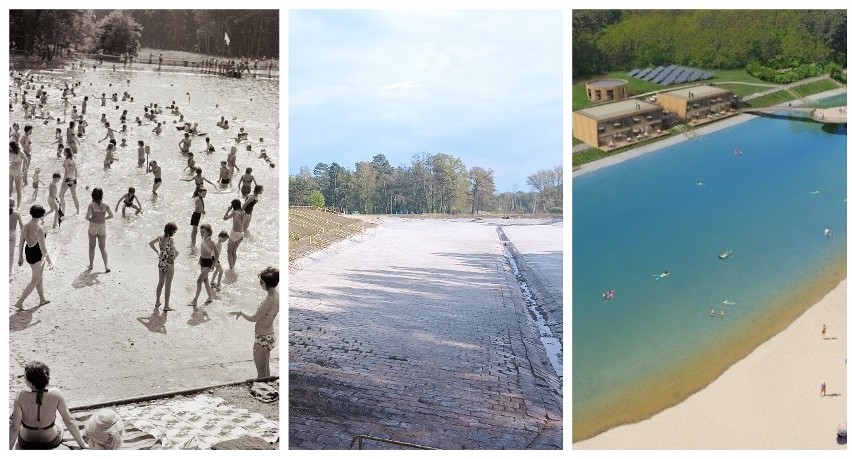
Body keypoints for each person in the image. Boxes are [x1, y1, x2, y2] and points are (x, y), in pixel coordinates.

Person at [9, 361, 88, 450]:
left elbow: (14, 427)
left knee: (18, 418)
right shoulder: (56, 393)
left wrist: (9, 449)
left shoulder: (21, 396)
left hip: (26, 442)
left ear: (30, 383)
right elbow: (69, 421)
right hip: (50, 441)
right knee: (59, 416)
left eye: (25, 377)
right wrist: (83, 445)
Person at [232, 267, 279, 378]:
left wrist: (241, 312)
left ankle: (263, 392)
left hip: (262, 338)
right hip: (269, 336)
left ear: (268, 283)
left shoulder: (270, 300)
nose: (260, 284)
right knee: (266, 370)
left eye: (261, 282)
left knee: (261, 373)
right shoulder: (277, 296)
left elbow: (254, 318)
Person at [13, 205, 52, 309]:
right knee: (35, 280)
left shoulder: (25, 226)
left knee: (39, 277)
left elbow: (21, 243)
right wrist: (50, 261)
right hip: (37, 254)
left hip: (28, 252)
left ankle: (42, 299)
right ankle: (20, 302)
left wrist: (20, 257)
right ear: (42, 215)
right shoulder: (40, 229)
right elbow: (43, 249)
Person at [150, 222, 179, 311]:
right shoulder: (171, 240)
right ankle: (166, 306)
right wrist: (174, 257)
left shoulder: (160, 238)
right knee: (168, 285)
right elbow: (176, 252)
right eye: (174, 231)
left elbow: (150, 243)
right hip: (169, 263)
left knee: (160, 282)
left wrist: (157, 252)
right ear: (172, 231)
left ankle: (157, 301)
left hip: (161, 262)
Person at [86, 187, 114, 272]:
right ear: (102, 195)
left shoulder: (91, 205)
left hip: (93, 226)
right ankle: (106, 266)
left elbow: (87, 217)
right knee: (103, 247)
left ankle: (91, 265)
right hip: (102, 226)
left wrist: (91, 220)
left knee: (92, 246)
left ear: (93, 195)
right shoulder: (106, 204)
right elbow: (111, 215)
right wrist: (104, 219)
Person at [190, 223, 218, 307]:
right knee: (205, 280)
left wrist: (213, 264)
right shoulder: (203, 238)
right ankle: (210, 297)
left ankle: (195, 300)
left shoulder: (211, 241)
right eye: (200, 232)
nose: (201, 233)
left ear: (208, 232)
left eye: (203, 232)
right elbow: (202, 250)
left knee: (199, 281)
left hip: (208, 263)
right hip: (202, 261)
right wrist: (199, 259)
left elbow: (217, 254)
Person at [223, 199, 246, 269]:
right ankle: (232, 267)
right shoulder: (243, 212)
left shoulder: (234, 213)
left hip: (234, 234)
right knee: (234, 251)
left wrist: (228, 210)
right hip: (241, 234)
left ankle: (231, 268)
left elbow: (224, 218)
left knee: (229, 252)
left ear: (233, 205)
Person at [59, 148, 79, 214]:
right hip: (73, 179)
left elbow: (66, 171)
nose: (63, 152)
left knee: (61, 195)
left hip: (68, 179)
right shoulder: (73, 160)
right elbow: (76, 171)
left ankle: (63, 211)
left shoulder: (66, 160)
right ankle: (78, 211)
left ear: (67, 153)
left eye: (64, 151)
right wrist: (76, 179)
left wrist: (63, 182)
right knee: (74, 196)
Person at [10, 141, 29, 208]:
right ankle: (9, 206)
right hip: (10, 171)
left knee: (18, 189)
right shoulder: (10, 152)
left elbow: (26, 159)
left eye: (10, 147)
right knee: (10, 188)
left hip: (18, 172)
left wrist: (26, 169)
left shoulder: (20, 152)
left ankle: (18, 206)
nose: (9, 148)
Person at [10, 198, 24, 274]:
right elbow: (21, 226)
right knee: (11, 253)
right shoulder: (17, 213)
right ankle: (10, 271)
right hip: (13, 233)